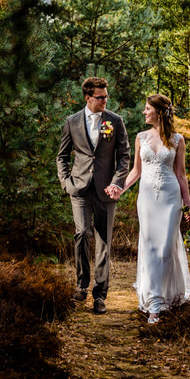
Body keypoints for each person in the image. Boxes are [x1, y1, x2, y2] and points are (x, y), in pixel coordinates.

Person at [106, 93, 190, 324]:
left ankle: (158, 302)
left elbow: (181, 175)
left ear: (159, 111)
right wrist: (119, 188)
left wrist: (188, 205)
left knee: (165, 248)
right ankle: (154, 301)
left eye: (147, 109)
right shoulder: (140, 138)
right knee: (150, 247)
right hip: (147, 199)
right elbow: (136, 171)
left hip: (170, 198)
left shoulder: (177, 140)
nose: (144, 112)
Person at [57, 76, 131, 314]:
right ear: (88, 98)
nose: (105, 100)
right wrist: (66, 182)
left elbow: (124, 156)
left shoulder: (115, 121)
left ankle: (100, 296)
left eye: (106, 96)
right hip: (79, 188)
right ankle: (81, 285)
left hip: (105, 190)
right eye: (100, 97)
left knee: (104, 242)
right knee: (81, 233)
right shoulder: (72, 121)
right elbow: (62, 156)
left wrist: (117, 183)